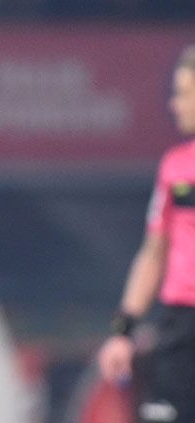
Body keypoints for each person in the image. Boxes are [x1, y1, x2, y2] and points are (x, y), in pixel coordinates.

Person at [97, 45, 195, 423]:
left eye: (185, 93)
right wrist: (123, 330)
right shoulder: (174, 167)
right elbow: (153, 253)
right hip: (179, 331)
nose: (174, 104)